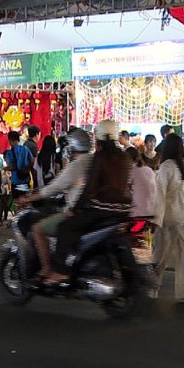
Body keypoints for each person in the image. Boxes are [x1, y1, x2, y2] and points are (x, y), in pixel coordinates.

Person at [48, 120, 132, 285]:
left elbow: (89, 189)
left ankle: (60, 271)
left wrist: (76, 208)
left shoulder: (100, 158)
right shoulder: (125, 157)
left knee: (65, 227)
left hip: (101, 209)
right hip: (124, 210)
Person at [19, 128, 94, 280]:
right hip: (93, 211)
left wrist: (28, 198)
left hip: (76, 212)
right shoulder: (94, 161)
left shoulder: (75, 165)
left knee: (38, 228)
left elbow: (53, 188)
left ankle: (48, 269)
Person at [152, 133, 184, 305]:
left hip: (169, 219)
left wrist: (155, 220)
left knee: (159, 257)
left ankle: (152, 289)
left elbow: (159, 195)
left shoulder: (166, 167)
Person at [127, 146, 156, 219]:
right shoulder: (148, 169)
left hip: (139, 213)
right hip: (153, 210)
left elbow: (125, 190)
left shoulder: (131, 171)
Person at [3, 131, 34, 199]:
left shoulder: (9, 153)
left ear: (10, 140)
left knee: (17, 202)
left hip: (16, 181)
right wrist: (27, 168)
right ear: (18, 139)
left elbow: (11, 167)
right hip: (25, 179)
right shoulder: (25, 149)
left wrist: (4, 168)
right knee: (25, 201)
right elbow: (32, 160)